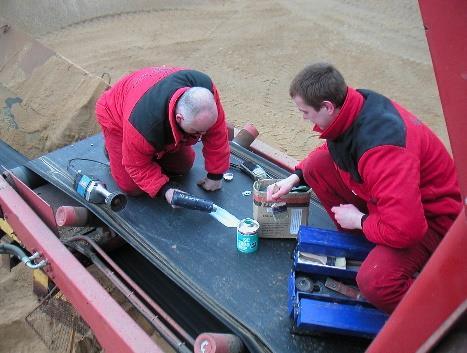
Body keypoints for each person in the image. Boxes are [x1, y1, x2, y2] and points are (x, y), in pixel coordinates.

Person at [267, 62, 462, 313]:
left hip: (431, 221)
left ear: (327, 106)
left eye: (305, 112)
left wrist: (359, 220)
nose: (303, 118)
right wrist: (294, 178)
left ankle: (443, 312)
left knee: (376, 283)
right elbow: (336, 145)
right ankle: (370, 245)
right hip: (398, 204)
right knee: (316, 166)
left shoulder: (383, 151)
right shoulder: (352, 104)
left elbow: (408, 230)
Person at [95, 66, 230, 205]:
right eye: (197, 131)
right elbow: (136, 166)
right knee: (132, 188)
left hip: (146, 91)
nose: (203, 135)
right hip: (115, 115)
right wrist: (165, 190)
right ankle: (114, 150)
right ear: (179, 118)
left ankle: (147, 151)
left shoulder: (206, 94)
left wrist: (216, 175)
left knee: (183, 165)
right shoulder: (143, 123)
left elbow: (217, 134)